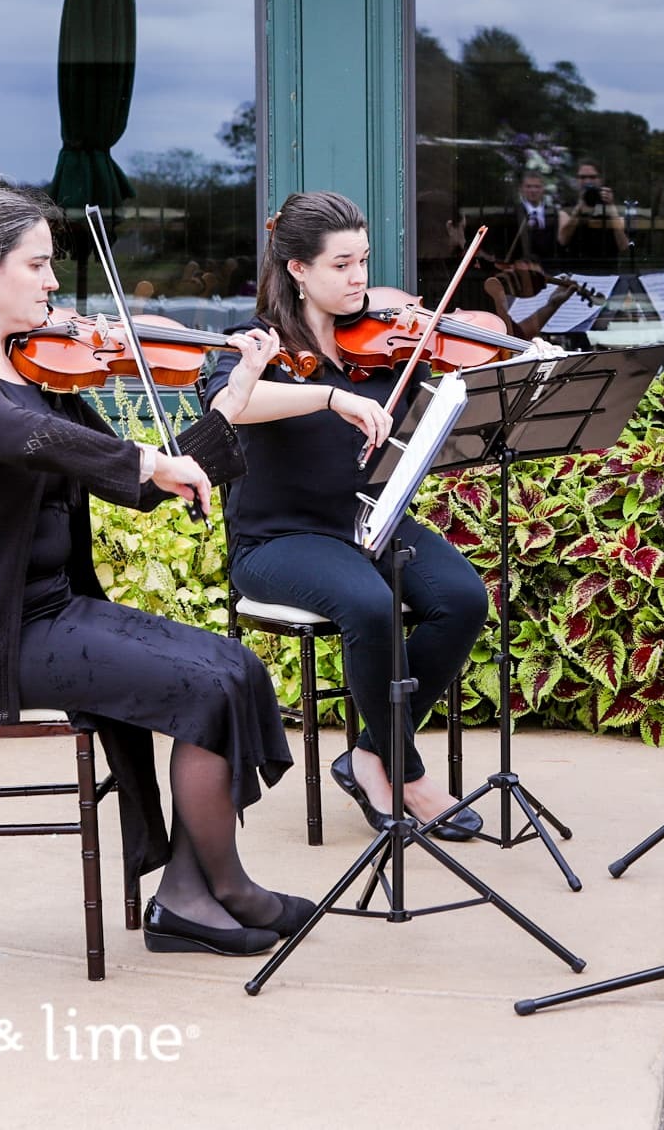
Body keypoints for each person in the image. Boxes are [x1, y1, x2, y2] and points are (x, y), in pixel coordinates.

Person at [0, 183, 307, 959]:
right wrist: (141, 453)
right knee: (207, 687)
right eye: (38, 264)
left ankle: (192, 888)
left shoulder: (28, 369)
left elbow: (143, 486)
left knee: (234, 666)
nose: (52, 282)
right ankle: (220, 893)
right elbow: (24, 442)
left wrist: (231, 400)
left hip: (49, 610)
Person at [205, 190, 491, 840]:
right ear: (298, 269)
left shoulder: (385, 339)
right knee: (368, 607)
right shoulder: (257, 344)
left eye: (362, 260)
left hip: (370, 522)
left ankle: (366, 752)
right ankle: (407, 772)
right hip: (279, 540)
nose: (359, 278)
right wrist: (328, 396)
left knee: (461, 598)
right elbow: (230, 403)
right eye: (340, 264)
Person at [557, 158, 630, 274]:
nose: (587, 181)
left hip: (607, 274)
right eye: (582, 177)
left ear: (600, 180)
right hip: (576, 273)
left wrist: (611, 208)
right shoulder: (568, 207)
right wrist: (579, 208)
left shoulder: (612, 207)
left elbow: (623, 246)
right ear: (577, 180)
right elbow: (562, 240)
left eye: (592, 177)